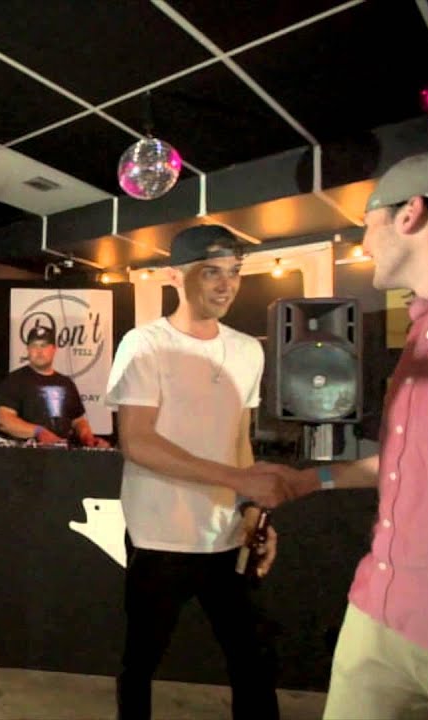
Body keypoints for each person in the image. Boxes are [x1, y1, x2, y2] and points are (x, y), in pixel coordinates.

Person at [264, 145, 428, 720]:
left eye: (368, 224)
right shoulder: (427, 322)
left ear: (410, 214)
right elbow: (411, 460)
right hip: (379, 615)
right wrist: (309, 482)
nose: (364, 243)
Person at [105, 224, 293, 720]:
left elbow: (239, 439)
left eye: (234, 272)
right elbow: (137, 441)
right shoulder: (144, 344)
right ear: (175, 276)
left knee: (254, 660)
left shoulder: (248, 350)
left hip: (228, 534)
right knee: (141, 662)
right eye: (211, 272)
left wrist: (252, 510)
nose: (226, 284)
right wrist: (237, 481)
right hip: (159, 536)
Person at [0, 324, 110, 447]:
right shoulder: (15, 380)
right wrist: (38, 431)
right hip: (27, 453)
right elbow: (4, 420)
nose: (39, 351)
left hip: (63, 453)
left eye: (44, 345)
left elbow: (78, 420)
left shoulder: (66, 383)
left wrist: (88, 438)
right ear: (27, 349)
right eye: (34, 346)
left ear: (54, 349)